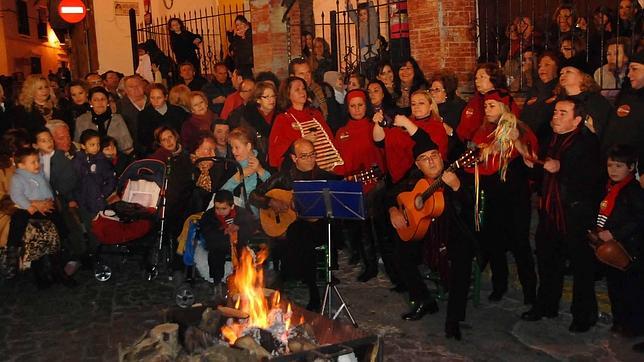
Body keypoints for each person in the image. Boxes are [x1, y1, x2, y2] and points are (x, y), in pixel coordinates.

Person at [521, 98, 602, 333]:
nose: (555, 116)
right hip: (549, 209)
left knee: (581, 267)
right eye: (555, 112)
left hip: (576, 212)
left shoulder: (587, 141)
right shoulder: (550, 137)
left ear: (577, 119)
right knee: (547, 261)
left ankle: (583, 315)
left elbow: (590, 178)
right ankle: (546, 305)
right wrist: (532, 163)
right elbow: (543, 168)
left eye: (562, 113)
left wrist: (562, 167)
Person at [387, 131, 475, 340]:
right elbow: (390, 195)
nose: (431, 161)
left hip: (453, 232)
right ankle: (423, 299)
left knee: (462, 259)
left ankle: (453, 320)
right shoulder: (414, 178)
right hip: (426, 234)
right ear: (418, 165)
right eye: (424, 159)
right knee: (399, 252)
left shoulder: (457, 174)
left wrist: (456, 187)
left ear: (441, 156)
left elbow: (472, 204)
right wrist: (393, 210)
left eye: (434, 155)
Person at [462, 90, 538, 304]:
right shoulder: (482, 131)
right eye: (485, 106)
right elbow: (474, 162)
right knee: (494, 244)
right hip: (492, 196)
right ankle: (499, 286)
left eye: (492, 106)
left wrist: (518, 144)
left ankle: (530, 292)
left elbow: (533, 163)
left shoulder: (520, 130)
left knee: (520, 246)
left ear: (504, 108)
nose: (487, 109)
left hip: (515, 198)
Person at [250, 138, 339, 311]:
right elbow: (254, 196)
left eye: (313, 155)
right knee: (298, 231)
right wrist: (270, 201)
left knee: (301, 232)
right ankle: (305, 283)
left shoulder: (323, 177)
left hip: (318, 226)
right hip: (293, 228)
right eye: (305, 156)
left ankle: (296, 281)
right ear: (294, 158)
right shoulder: (283, 177)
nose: (311, 159)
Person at [335, 89, 387, 282]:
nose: (356, 109)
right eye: (352, 106)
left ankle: (374, 264)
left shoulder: (374, 127)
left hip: (373, 185)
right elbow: (337, 162)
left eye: (360, 105)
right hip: (350, 185)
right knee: (357, 228)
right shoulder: (341, 132)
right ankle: (366, 260)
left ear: (366, 105)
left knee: (371, 227)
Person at [596, 145, 644, 338]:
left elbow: (639, 219)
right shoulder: (610, 187)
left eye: (618, 166)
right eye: (610, 165)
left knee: (631, 290)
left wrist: (615, 234)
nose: (613, 170)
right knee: (615, 287)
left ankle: (634, 327)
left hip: (628, 248)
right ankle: (620, 321)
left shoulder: (632, 191)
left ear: (631, 167)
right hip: (613, 247)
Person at [9, 147, 72, 288]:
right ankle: (15, 250)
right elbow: (16, 195)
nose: (37, 164)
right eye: (33, 162)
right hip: (29, 210)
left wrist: (50, 200)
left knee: (57, 223)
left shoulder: (39, 173)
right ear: (21, 165)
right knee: (22, 224)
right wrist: (29, 205)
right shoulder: (18, 178)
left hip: (47, 206)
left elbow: (46, 188)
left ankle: (59, 267)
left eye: (38, 161)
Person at [268, 76, 342, 173]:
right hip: (302, 172)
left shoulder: (316, 114)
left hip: (330, 167)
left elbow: (331, 140)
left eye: (303, 89)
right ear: (288, 95)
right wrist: (302, 140)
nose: (302, 92)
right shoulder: (282, 119)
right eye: (297, 90)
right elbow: (275, 152)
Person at [373, 89, 448, 184]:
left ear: (431, 106)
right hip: (402, 179)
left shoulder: (437, 126)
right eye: (413, 104)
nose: (416, 107)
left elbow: (425, 142)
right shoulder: (405, 123)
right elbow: (380, 142)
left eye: (421, 103)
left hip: (429, 178)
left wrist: (406, 123)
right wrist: (378, 124)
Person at [200, 189, 257, 299]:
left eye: (223, 208)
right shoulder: (209, 216)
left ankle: (243, 284)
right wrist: (223, 232)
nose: (220, 211)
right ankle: (217, 285)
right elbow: (207, 234)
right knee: (215, 256)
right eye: (217, 208)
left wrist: (239, 229)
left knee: (245, 257)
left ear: (231, 206)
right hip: (218, 244)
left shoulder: (241, 213)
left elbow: (251, 228)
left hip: (238, 244)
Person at [600, 50, 644, 184]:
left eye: (635, 69)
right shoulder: (626, 94)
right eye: (629, 69)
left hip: (635, 171)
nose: (629, 74)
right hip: (615, 168)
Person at [72, 130, 116, 249]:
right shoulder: (77, 161)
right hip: (83, 202)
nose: (96, 147)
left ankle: (104, 252)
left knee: (101, 227)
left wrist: (103, 194)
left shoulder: (102, 161)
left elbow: (111, 180)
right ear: (83, 146)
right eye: (92, 144)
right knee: (89, 228)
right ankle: (93, 253)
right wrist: (76, 197)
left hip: (98, 201)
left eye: (98, 144)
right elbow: (74, 181)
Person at [457, 63, 520, 143]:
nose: (477, 81)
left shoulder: (504, 98)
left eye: (482, 77)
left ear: (493, 79)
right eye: (476, 78)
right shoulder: (474, 100)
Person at [221, 127, 271, 212]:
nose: (233, 151)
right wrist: (238, 177)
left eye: (237, 147)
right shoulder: (232, 165)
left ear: (248, 146)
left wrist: (260, 170)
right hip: (238, 213)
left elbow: (273, 187)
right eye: (232, 147)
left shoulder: (262, 160)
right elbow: (222, 194)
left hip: (263, 213)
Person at [227, 81, 277, 163]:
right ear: (258, 100)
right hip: (253, 159)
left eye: (273, 96)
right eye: (266, 97)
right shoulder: (247, 117)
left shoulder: (280, 115)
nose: (271, 100)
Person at [556, 65, 612, 139]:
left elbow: (603, 128)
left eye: (568, 72)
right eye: (561, 73)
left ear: (583, 77)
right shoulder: (558, 101)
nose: (563, 75)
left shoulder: (596, 100)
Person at [75, 87, 133, 155]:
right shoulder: (82, 120)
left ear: (107, 101)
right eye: (96, 100)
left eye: (103, 99)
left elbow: (127, 146)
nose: (100, 102)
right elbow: (77, 144)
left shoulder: (117, 119)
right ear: (90, 102)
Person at [137, 83, 188, 157]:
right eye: (152, 98)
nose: (155, 101)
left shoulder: (178, 111)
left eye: (159, 98)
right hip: (156, 152)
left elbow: (185, 132)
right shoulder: (143, 115)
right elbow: (143, 138)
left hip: (179, 150)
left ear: (166, 97)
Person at [521, 51, 560, 143]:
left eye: (547, 65)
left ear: (557, 67)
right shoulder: (534, 89)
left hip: (548, 138)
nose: (542, 69)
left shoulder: (559, 89)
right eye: (540, 66)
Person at [429, 70, 467, 161]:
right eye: (431, 90)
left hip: (452, 152)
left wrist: (450, 131)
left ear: (446, 92)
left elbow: (460, 137)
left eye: (437, 90)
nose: (432, 93)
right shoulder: (430, 107)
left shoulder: (457, 108)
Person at [116, 75, 148, 146]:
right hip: (131, 146)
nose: (135, 88)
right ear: (125, 90)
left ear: (143, 86)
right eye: (131, 86)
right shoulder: (119, 105)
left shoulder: (153, 101)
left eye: (138, 85)